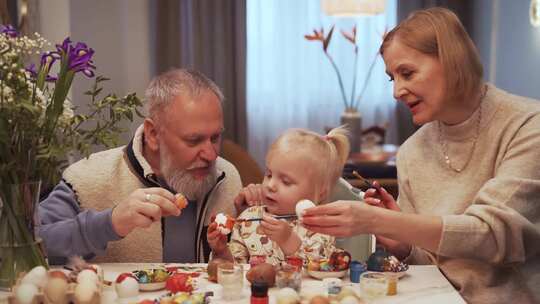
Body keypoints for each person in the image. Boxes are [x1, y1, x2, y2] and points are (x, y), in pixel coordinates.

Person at [301, 7, 540, 304]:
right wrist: (403, 245)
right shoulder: (412, 151)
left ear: (453, 59)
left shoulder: (528, 126)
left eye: (407, 73)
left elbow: (493, 235)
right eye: (392, 78)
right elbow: (430, 263)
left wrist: (381, 221)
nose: (397, 92)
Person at [38, 69, 243, 263]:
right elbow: (33, 242)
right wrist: (110, 223)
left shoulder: (227, 177)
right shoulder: (87, 178)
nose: (211, 154)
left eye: (215, 137)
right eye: (193, 140)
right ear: (153, 134)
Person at [207, 127, 350, 265]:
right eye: (268, 175)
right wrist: (222, 251)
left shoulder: (321, 226)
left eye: (286, 182)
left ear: (320, 193)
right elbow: (236, 270)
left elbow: (323, 268)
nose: (270, 185)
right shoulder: (249, 218)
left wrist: (289, 241)